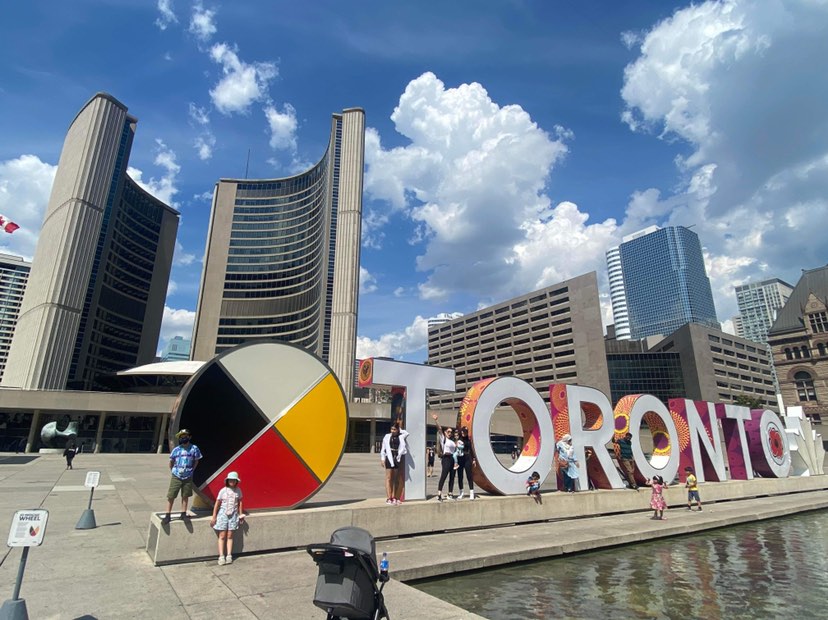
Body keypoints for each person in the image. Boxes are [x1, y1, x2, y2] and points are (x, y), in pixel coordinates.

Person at [162, 429, 203, 524]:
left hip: (188, 476)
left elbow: (196, 460)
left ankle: (183, 513)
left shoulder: (194, 448)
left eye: (185, 436)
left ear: (189, 437)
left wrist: (191, 470)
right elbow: (171, 462)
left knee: (185, 495)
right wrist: (173, 471)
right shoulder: (176, 449)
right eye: (181, 436)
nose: (183, 438)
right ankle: (167, 514)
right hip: (177, 475)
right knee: (171, 495)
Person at [210, 471, 244, 565]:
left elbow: (240, 502)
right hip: (223, 515)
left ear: (236, 481)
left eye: (234, 480)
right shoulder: (223, 490)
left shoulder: (238, 490)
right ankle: (221, 556)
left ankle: (229, 555)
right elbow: (217, 503)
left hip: (233, 515)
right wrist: (214, 517)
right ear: (227, 481)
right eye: (230, 480)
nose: (232, 481)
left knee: (230, 535)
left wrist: (241, 515)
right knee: (222, 536)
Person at [379, 421, 409, 505]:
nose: (392, 431)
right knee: (389, 477)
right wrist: (382, 458)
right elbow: (383, 448)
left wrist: (400, 428)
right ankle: (389, 498)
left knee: (397, 478)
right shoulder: (387, 436)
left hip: (397, 457)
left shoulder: (401, 436)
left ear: (398, 430)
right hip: (389, 457)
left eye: (394, 429)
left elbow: (407, 433)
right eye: (391, 429)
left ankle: (395, 497)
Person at [432, 414, 457, 501]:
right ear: (445, 432)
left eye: (451, 432)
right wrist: (436, 420)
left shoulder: (453, 441)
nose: (450, 433)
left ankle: (450, 493)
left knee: (452, 476)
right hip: (446, 458)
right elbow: (439, 429)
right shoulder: (443, 439)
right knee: (444, 475)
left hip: (453, 459)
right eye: (448, 432)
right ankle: (439, 493)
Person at [455, 427, 477, 500]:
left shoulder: (468, 440)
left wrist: (473, 459)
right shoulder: (459, 439)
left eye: (464, 432)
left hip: (467, 458)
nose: (463, 433)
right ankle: (461, 492)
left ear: (467, 432)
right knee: (460, 476)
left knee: (469, 475)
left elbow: (471, 449)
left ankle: (471, 492)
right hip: (460, 458)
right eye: (462, 432)